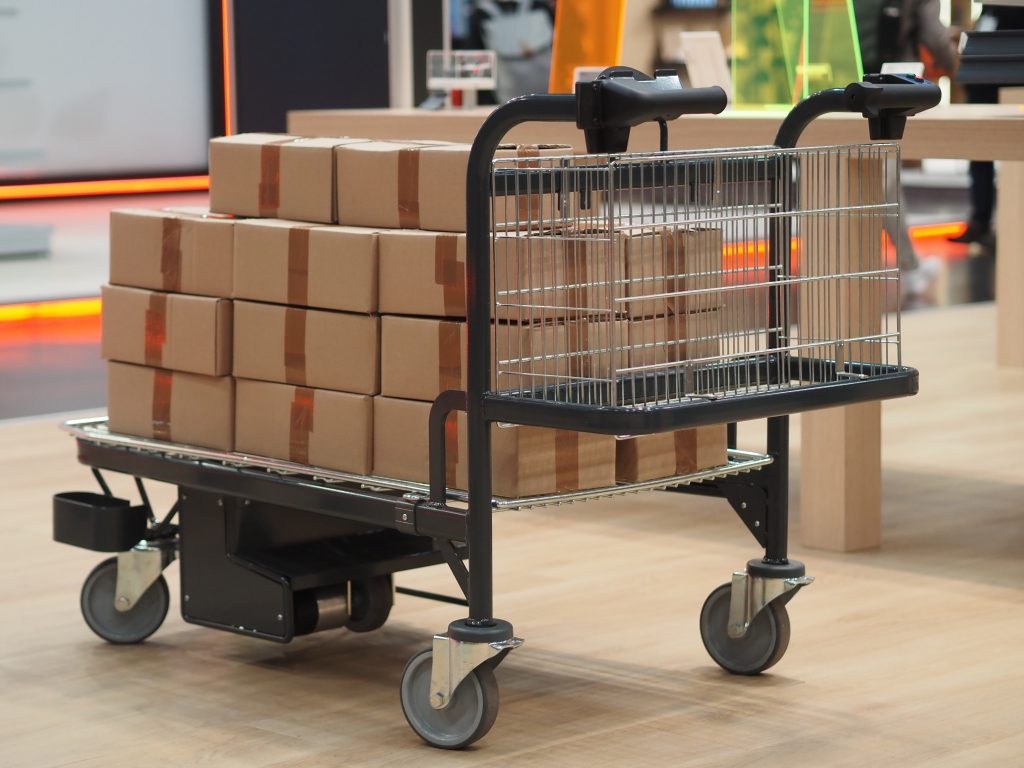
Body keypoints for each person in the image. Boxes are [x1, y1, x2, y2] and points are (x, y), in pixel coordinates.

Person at [853, 0, 956, 294]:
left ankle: (894, 267)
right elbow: (934, 35)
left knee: (857, 180)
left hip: (843, 87)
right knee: (885, 182)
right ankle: (908, 267)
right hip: (888, 90)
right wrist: (955, 64)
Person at [948, 5, 1024, 246]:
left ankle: (1005, 227)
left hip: (1012, 87)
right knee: (979, 156)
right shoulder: (991, 7)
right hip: (982, 86)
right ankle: (980, 221)